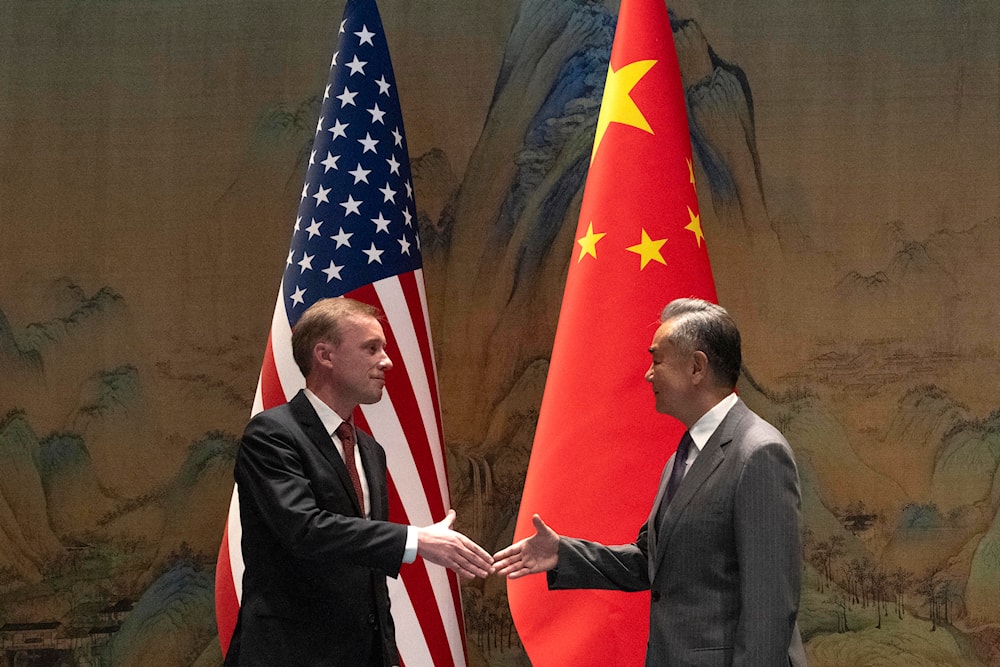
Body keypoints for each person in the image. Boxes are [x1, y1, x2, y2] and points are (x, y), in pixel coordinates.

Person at [494, 298, 807, 666]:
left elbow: (770, 610)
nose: (648, 374)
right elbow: (651, 560)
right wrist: (563, 553)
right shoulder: (684, 455)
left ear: (696, 367)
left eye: (657, 360)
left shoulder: (758, 453)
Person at [225, 297, 492, 667]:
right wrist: (415, 540)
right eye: (371, 348)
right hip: (290, 654)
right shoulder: (272, 434)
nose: (387, 361)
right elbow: (304, 530)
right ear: (325, 355)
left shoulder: (369, 450)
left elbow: (365, 570)